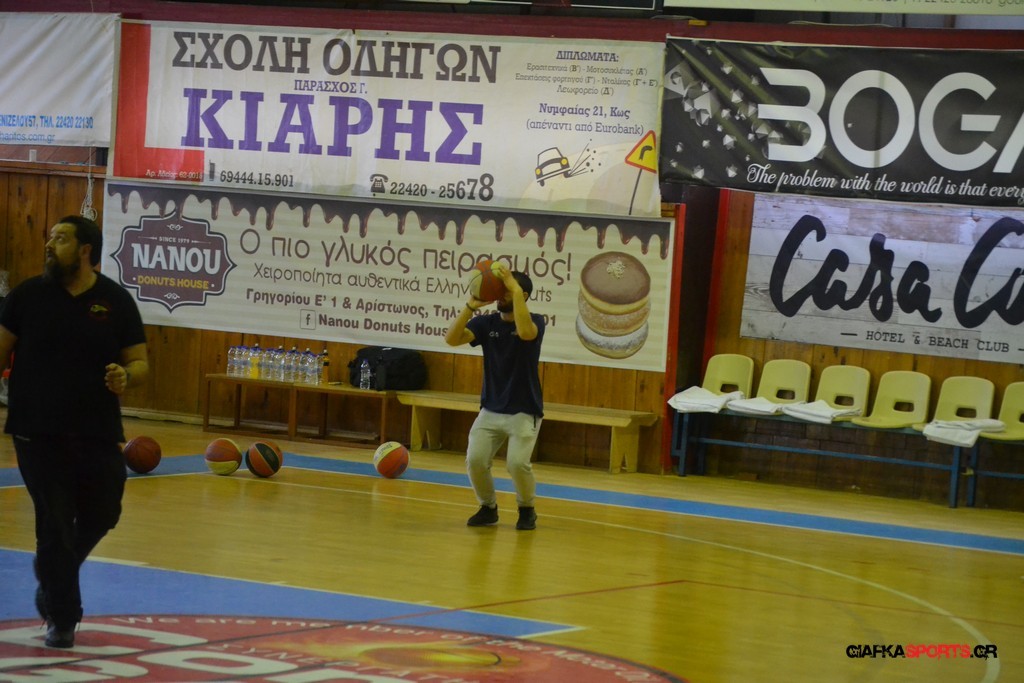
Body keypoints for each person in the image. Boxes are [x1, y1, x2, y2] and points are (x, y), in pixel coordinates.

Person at [0, 215, 148, 648]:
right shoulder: (27, 296)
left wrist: (126, 376)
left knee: (104, 512)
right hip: (36, 431)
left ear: (85, 250)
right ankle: (62, 617)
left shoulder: (115, 301)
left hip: (96, 429)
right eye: (50, 237)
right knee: (56, 524)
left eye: (61, 238)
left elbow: (140, 362)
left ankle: (53, 572)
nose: (50, 244)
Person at [445, 263, 544, 531]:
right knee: (475, 460)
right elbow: (451, 339)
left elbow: (525, 334)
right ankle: (488, 508)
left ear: (523, 296)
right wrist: (470, 306)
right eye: (501, 290)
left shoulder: (535, 321)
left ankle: (527, 509)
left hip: (524, 409)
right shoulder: (486, 323)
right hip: (490, 408)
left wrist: (514, 287)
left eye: (508, 291)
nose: (501, 295)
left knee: (517, 464)